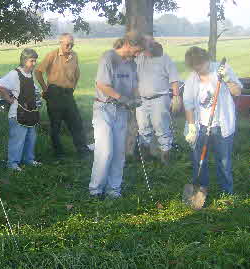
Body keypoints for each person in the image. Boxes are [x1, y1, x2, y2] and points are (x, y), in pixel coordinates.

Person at [89, 32, 145, 199]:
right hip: (104, 109)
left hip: (122, 111)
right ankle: (96, 190)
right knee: (105, 151)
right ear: (128, 44)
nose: (138, 54)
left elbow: (135, 84)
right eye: (137, 50)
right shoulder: (109, 57)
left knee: (119, 151)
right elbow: (102, 84)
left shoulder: (132, 64)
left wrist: (136, 98)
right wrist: (123, 98)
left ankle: (114, 189)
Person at [183, 47, 242, 194]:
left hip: (222, 125)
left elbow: (237, 92)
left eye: (200, 67)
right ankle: (200, 190)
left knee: (223, 161)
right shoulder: (192, 78)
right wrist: (191, 127)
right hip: (201, 126)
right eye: (195, 68)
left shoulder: (223, 69)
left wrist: (227, 80)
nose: (198, 71)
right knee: (199, 161)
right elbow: (188, 104)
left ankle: (226, 193)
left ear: (206, 60)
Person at [34, 33, 89, 159]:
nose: (70, 47)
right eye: (67, 44)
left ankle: (83, 150)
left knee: (76, 122)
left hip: (68, 94)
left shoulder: (74, 56)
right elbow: (38, 71)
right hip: (54, 93)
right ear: (60, 43)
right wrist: (45, 88)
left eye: (72, 44)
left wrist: (72, 87)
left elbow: (77, 73)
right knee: (55, 125)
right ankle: (59, 154)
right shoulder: (52, 55)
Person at [135, 35, 181, 164]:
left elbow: (174, 79)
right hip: (141, 100)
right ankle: (145, 159)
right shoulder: (139, 58)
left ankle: (166, 161)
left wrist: (176, 97)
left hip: (160, 99)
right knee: (143, 129)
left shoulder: (165, 58)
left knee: (162, 129)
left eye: (150, 42)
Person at [0, 48, 42, 171]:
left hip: (31, 112)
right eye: (32, 61)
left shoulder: (30, 74)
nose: (34, 63)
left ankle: (29, 159)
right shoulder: (15, 73)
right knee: (17, 140)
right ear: (24, 60)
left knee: (31, 138)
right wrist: (8, 98)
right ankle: (12, 164)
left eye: (35, 61)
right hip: (17, 113)